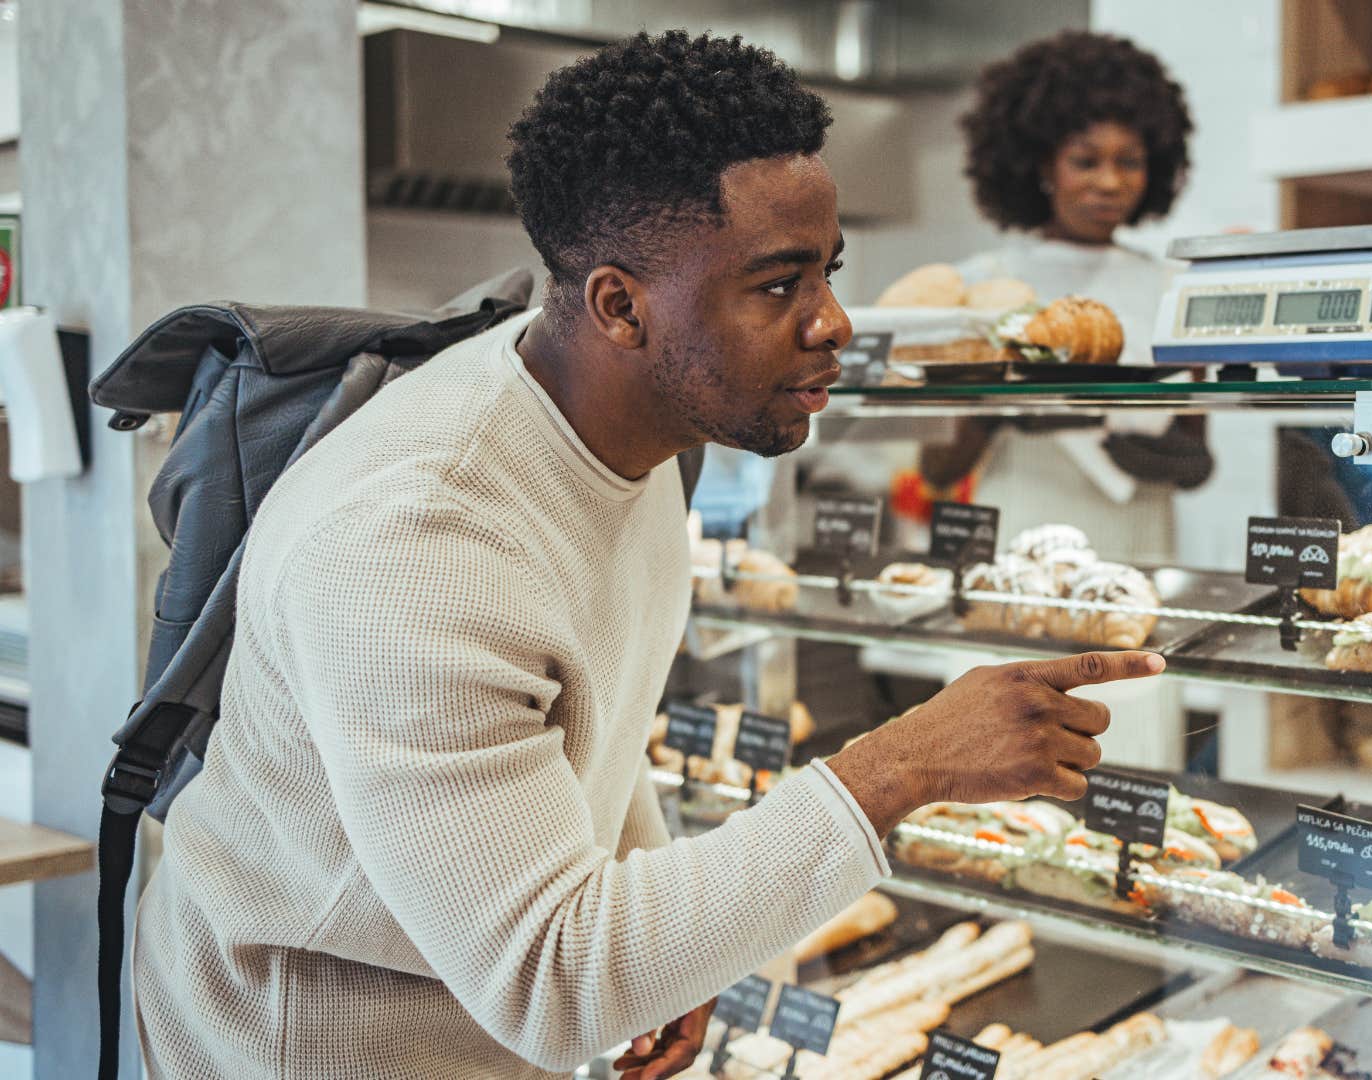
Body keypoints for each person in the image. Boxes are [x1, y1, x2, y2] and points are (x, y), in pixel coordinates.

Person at [131, 31, 1162, 1080]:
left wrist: (668, 929)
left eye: (828, 272)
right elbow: (552, 976)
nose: (834, 323)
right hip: (312, 1045)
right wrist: (902, 767)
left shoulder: (629, 437)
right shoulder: (422, 539)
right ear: (619, 306)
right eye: (777, 286)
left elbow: (591, 728)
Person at [920, 31, 1210, 563]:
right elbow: (936, 469)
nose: (1110, 182)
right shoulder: (982, 286)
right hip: (1022, 525)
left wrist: (1170, 459)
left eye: (1130, 161)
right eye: (1085, 160)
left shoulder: (1175, 286)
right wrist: (992, 409)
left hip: (1142, 534)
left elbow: (1198, 454)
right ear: (1040, 167)